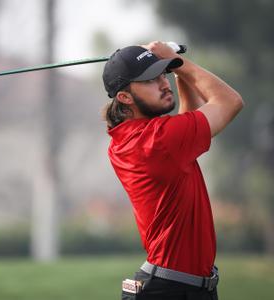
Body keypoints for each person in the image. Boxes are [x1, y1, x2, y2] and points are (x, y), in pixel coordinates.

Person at [102, 41, 244, 300]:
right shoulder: (159, 142)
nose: (163, 84)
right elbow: (230, 101)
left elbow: (184, 124)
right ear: (124, 97)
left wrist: (174, 66)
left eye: (162, 75)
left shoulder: (127, 139)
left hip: (174, 286)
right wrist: (180, 64)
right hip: (170, 291)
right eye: (150, 80)